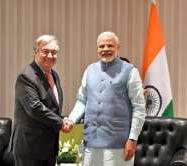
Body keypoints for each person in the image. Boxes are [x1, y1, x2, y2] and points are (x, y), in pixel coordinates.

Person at [68, 31, 146, 166]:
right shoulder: (89, 70)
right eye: (101, 46)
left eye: (110, 46)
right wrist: (71, 119)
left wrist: (132, 139)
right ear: (97, 49)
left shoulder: (130, 71)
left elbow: (139, 107)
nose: (105, 49)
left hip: (118, 145)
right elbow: (81, 100)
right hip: (90, 142)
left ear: (117, 47)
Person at [10, 35, 71, 166]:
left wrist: (63, 118)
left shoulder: (54, 75)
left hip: (48, 147)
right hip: (30, 148)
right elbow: (35, 108)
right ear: (35, 52)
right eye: (45, 51)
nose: (50, 56)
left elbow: (52, 107)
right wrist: (60, 122)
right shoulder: (26, 76)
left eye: (54, 52)